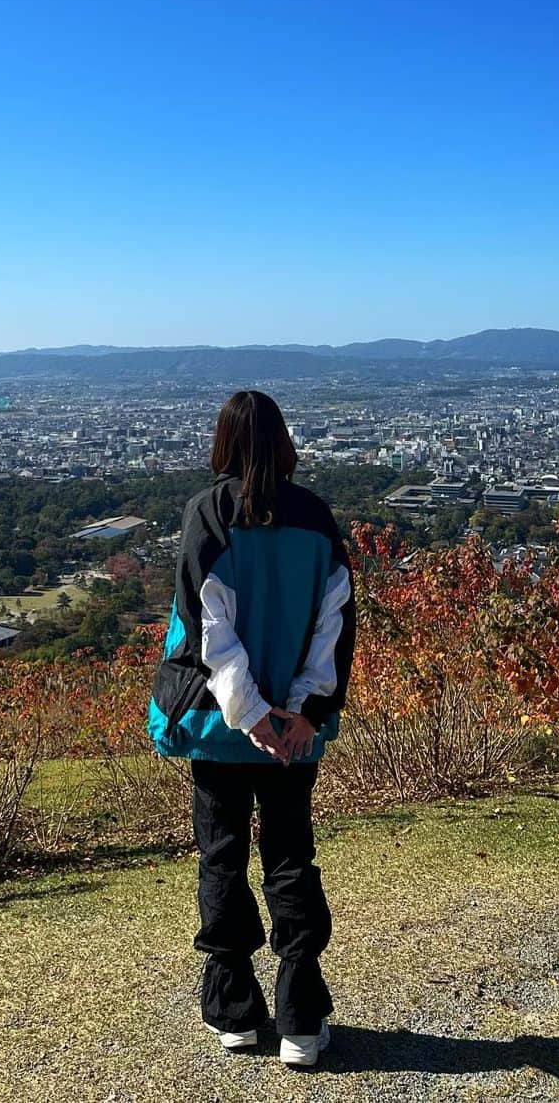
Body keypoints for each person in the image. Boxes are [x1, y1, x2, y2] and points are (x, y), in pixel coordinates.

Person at [148, 389, 355, 1067]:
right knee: (291, 856)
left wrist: (251, 714)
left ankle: (233, 1007)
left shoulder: (208, 514)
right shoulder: (317, 519)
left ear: (224, 443)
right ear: (284, 440)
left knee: (223, 854)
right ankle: (301, 1016)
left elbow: (211, 631)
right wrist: (299, 711)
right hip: (295, 733)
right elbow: (334, 627)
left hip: (219, 726)